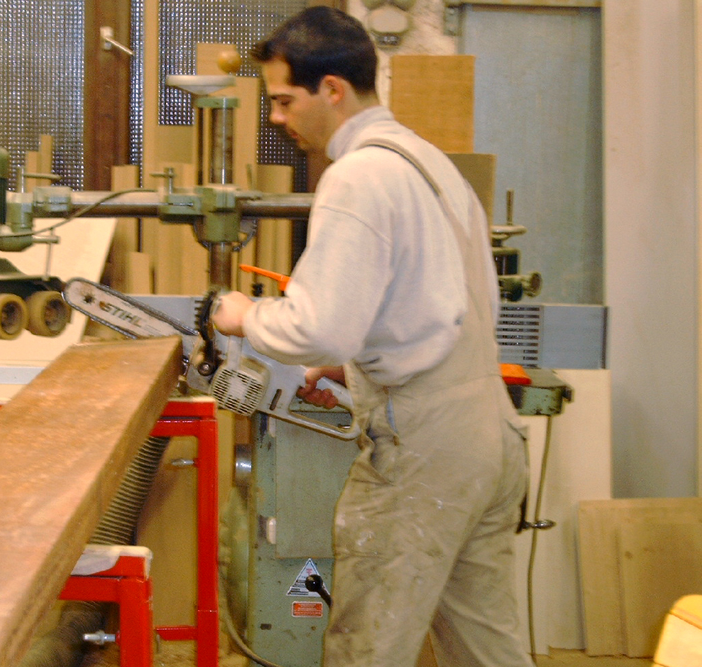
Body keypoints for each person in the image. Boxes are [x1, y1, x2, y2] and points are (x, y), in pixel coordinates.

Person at [211, 7, 533, 667]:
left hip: (425, 454)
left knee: (368, 645)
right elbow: (442, 306)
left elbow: (317, 324)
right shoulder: (430, 164)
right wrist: (357, 373)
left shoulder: (356, 175)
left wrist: (243, 315)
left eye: (283, 99)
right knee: (486, 647)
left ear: (333, 89)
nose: (276, 117)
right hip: (488, 435)